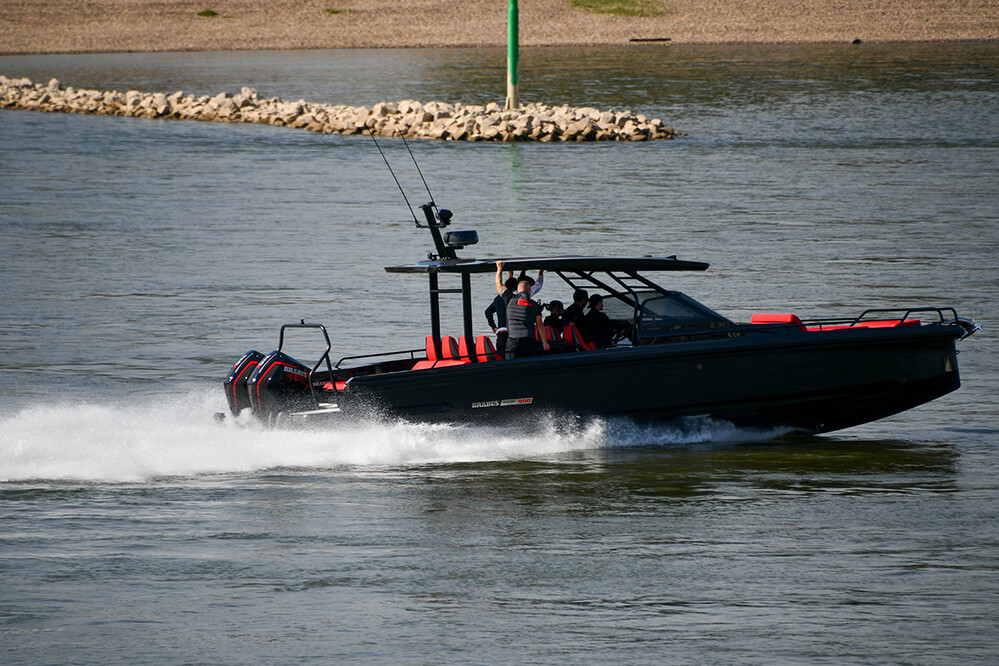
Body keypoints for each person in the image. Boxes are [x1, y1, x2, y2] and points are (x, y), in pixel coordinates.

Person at [498, 261, 549, 359]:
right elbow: (539, 324)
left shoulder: (508, 297)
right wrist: (545, 343)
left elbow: (499, 285)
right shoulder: (533, 303)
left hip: (512, 340)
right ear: (529, 289)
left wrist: (499, 269)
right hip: (529, 341)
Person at [485, 275, 518, 354]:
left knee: (501, 355)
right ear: (514, 288)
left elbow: (488, 312)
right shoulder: (514, 298)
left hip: (501, 331)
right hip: (512, 333)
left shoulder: (497, 299)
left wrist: (493, 327)